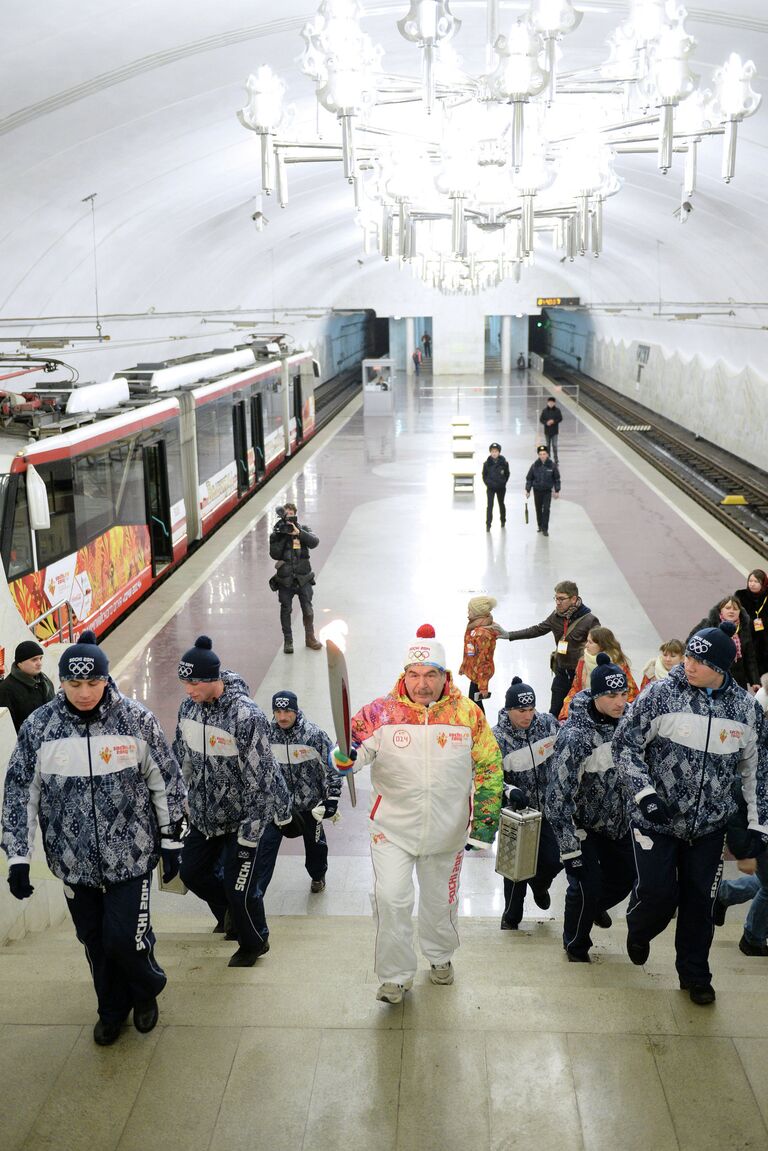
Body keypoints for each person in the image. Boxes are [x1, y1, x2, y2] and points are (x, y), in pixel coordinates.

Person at [2, 630, 187, 1046]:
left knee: (125, 937)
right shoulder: (40, 728)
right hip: (73, 863)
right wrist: (17, 856)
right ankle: (111, 1009)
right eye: (74, 684)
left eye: (93, 683)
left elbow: (167, 781)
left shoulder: (136, 721)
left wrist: (172, 842)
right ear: (61, 682)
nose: (84, 693)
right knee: (95, 941)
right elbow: (19, 791)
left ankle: (146, 990)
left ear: (107, 679)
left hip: (132, 855)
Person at [332, 624, 503, 1005]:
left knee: (439, 902)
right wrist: (343, 759)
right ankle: (394, 977)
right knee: (391, 899)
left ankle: (440, 956)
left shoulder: (467, 715)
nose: (422, 684)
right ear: (403, 674)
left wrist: (485, 825)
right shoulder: (380, 712)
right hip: (392, 829)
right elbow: (351, 747)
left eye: (431, 675)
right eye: (414, 674)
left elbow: (490, 767)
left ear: (444, 676)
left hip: (447, 832)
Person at [612, 620, 768, 1005]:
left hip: (710, 828)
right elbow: (624, 745)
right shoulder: (660, 695)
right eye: (687, 657)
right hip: (656, 820)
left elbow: (756, 770)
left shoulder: (745, 710)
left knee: (700, 901)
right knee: (658, 894)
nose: (688, 665)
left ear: (720, 668)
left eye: (698, 661)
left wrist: (758, 826)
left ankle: (695, 975)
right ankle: (639, 926)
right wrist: (645, 794)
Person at [175, 635, 292, 968]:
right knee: (192, 873)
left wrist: (250, 835)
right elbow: (179, 754)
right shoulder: (188, 708)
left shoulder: (246, 716)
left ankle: (255, 941)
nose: (189, 689)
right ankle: (228, 910)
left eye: (195, 681)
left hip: (241, 821)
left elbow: (262, 779)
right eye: (185, 681)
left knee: (240, 887)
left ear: (214, 679)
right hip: (202, 816)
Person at [545, 654, 634, 962]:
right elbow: (558, 796)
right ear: (596, 695)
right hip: (584, 827)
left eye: (623, 694)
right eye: (611, 696)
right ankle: (576, 944)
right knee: (585, 885)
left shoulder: (631, 723)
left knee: (626, 879)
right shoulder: (575, 736)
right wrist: (570, 849)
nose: (620, 702)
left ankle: (594, 907)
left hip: (619, 823)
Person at [493, 677, 561, 930]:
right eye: (521, 711)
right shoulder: (497, 738)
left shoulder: (548, 725)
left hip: (549, 810)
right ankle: (511, 917)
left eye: (531, 709)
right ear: (508, 709)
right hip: (516, 814)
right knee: (515, 868)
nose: (528, 716)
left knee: (554, 860)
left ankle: (540, 885)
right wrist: (509, 791)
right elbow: (488, 777)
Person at [265, 689, 340, 894]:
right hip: (277, 806)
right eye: (277, 711)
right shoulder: (266, 736)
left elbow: (333, 766)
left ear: (296, 711)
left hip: (310, 806)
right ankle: (255, 888)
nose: (282, 717)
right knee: (264, 848)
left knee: (315, 845)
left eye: (287, 711)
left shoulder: (314, 736)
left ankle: (318, 875)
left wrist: (332, 798)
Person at [498, 580, 600, 718]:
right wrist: (509, 635)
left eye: (562, 599)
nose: (558, 602)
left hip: (580, 676)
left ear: (574, 599)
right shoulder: (556, 616)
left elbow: (600, 644)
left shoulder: (589, 620)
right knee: (554, 713)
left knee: (580, 714)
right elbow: (537, 629)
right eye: (556, 598)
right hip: (561, 673)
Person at [713, 783, 768, 956]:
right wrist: (745, 852)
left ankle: (724, 894)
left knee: (764, 882)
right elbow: (740, 801)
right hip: (761, 835)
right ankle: (753, 939)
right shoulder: (760, 764)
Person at [269, 501, 322, 655]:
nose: (289, 519)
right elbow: (274, 555)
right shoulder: (277, 534)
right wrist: (284, 536)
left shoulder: (303, 529)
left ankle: (310, 638)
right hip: (285, 580)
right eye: (286, 515)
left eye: (292, 515)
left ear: (295, 515)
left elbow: (315, 542)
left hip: (304, 578)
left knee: (308, 610)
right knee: (286, 610)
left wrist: (298, 533)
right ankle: (288, 641)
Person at [559, 626, 639, 720]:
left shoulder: (619, 665)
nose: (586, 645)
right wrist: (567, 711)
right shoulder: (583, 663)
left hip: (614, 714)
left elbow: (631, 693)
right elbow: (576, 689)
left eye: (590, 642)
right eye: (587, 641)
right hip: (588, 713)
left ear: (601, 645)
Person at [687, 595, 760, 692]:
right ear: (720, 610)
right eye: (728, 608)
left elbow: (750, 658)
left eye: (735, 609)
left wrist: (755, 681)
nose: (731, 611)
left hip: (737, 680)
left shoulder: (745, 629)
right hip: (709, 677)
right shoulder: (708, 623)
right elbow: (690, 643)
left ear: (740, 612)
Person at [0, 640, 55, 732]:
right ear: (20, 663)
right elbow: (8, 729)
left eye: (40, 658)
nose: (39, 663)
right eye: (34, 659)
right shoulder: (6, 690)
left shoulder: (45, 681)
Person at [458, 595, 498, 713]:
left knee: (475, 705)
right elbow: (470, 652)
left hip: (480, 674)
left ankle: (481, 727)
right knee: (474, 703)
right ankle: (479, 726)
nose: (467, 612)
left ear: (477, 612)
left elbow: (483, 660)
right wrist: (464, 666)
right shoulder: (475, 626)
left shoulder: (482, 634)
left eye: (470, 610)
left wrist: (483, 685)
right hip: (475, 672)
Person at [735, 569, 768, 676]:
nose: (752, 584)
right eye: (750, 581)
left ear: (763, 584)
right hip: (746, 637)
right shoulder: (740, 595)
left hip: (764, 641)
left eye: (756, 582)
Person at [524, 445, 560, 537]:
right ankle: (540, 525)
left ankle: (545, 528)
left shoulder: (552, 466)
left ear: (547, 454)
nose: (542, 456)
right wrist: (527, 490)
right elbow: (529, 479)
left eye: (544, 454)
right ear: (538, 455)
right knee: (538, 509)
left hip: (547, 491)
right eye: (540, 454)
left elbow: (556, 479)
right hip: (537, 491)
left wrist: (557, 490)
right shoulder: (534, 466)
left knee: (546, 509)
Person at [482, 442, 510, 531]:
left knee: (501, 504)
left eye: (496, 451)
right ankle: (488, 524)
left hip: (501, 488)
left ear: (499, 452)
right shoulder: (486, 464)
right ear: (490, 452)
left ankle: (503, 520)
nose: (494, 453)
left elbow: (507, 474)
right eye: (492, 451)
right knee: (490, 506)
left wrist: (503, 482)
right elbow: (484, 475)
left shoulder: (504, 463)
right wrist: (488, 483)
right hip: (490, 488)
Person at [539, 396, 563, 463]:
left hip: (555, 431)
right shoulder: (544, 411)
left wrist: (554, 421)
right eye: (549, 402)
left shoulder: (557, 410)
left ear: (554, 403)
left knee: (554, 445)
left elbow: (560, 418)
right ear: (547, 403)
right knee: (548, 445)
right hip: (547, 431)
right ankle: (548, 457)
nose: (550, 403)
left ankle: (556, 458)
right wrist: (546, 423)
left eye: (552, 402)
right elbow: (541, 419)